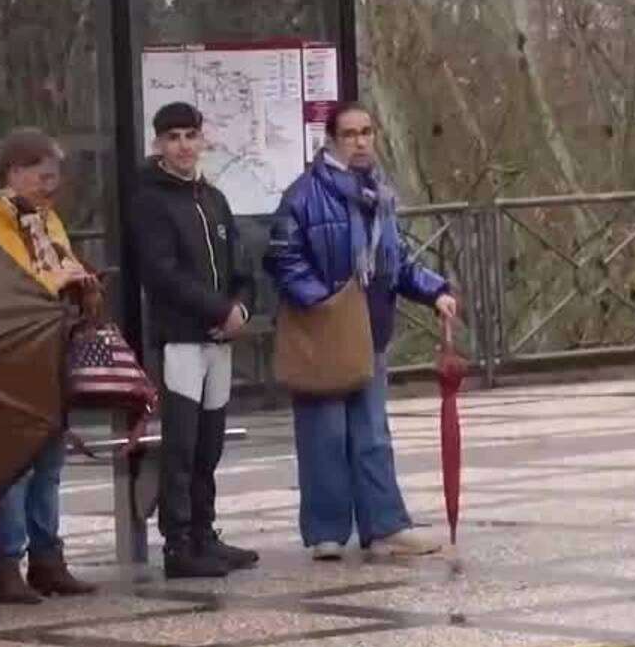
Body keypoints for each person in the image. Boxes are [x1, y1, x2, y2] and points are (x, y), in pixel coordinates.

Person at [264, 103, 457, 560]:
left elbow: (399, 260)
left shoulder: (380, 197)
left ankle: (385, 524)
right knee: (324, 435)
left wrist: (435, 291)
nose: (360, 141)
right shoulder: (304, 196)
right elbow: (282, 257)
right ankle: (327, 532)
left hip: (371, 330)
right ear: (331, 140)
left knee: (372, 434)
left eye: (367, 132)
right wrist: (324, 303)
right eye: (349, 134)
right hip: (325, 333)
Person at [0, 129, 98, 604]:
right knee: (14, 469)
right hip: (7, 364)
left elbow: (61, 268)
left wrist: (79, 280)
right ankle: (5, 566)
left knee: (49, 467)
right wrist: (52, 280)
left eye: (54, 178)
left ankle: (47, 559)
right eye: (41, 176)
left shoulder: (46, 219)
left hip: (51, 356)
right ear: (12, 173)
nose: (49, 185)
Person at [129, 102, 259, 579]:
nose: (183, 145)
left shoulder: (213, 198)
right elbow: (161, 274)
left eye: (190, 135)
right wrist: (216, 309)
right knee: (181, 447)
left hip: (219, 340)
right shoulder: (150, 201)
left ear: (204, 139)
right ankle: (179, 543)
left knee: (210, 444)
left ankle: (205, 532)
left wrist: (240, 307)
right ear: (158, 144)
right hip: (180, 341)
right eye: (173, 137)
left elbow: (241, 266)